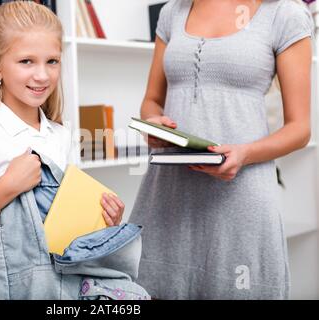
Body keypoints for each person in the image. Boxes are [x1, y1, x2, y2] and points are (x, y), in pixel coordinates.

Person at [0, 1, 125, 300]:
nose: (42, 75)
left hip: (66, 279)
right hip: (6, 285)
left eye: (52, 61)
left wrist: (103, 220)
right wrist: (7, 186)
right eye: (26, 62)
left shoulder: (62, 135)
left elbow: (66, 228)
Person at [130, 0, 313, 299]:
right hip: (168, 194)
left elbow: (300, 129)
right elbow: (152, 100)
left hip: (242, 194)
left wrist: (244, 153)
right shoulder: (173, 12)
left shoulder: (284, 14)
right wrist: (154, 124)